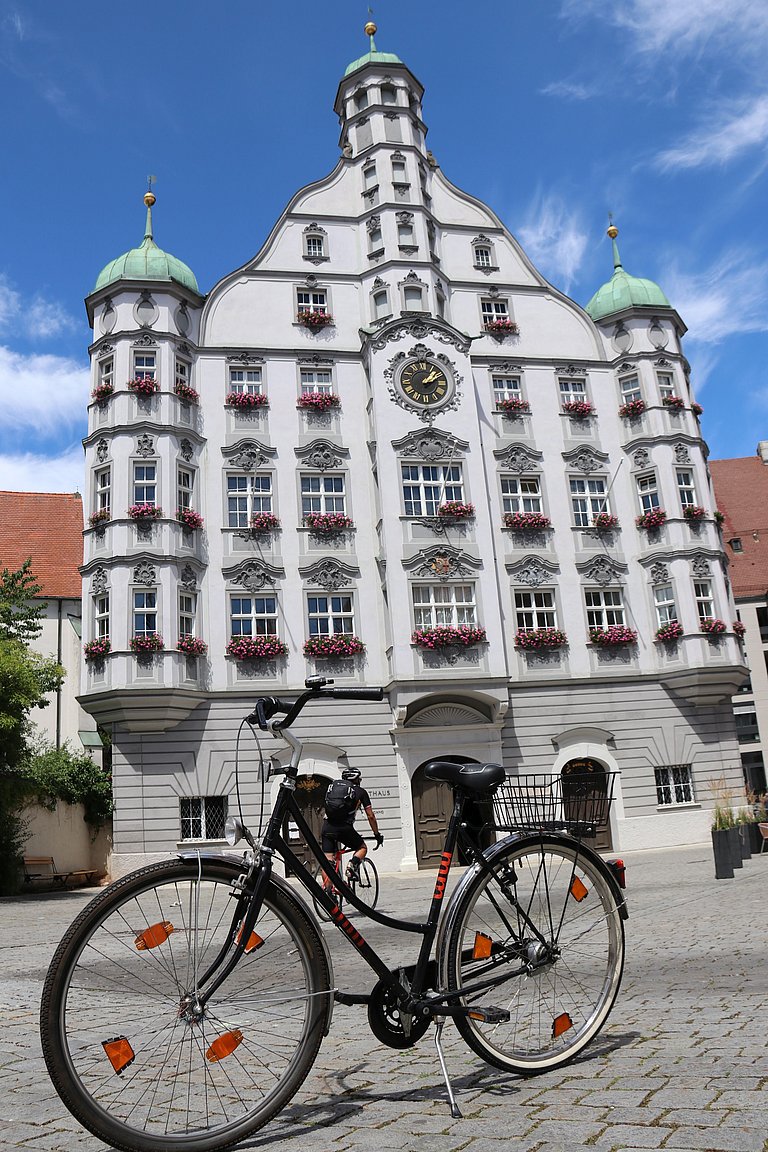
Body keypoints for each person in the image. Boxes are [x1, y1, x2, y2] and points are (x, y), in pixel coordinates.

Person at [321, 766, 383, 886]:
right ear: (356, 779)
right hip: (344, 828)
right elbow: (370, 816)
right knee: (362, 848)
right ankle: (351, 866)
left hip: (327, 826)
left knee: (328, 861)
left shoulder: (332, 789)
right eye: (359, 778)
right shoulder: (360, 792)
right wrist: (377, 834)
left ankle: (328, 893)